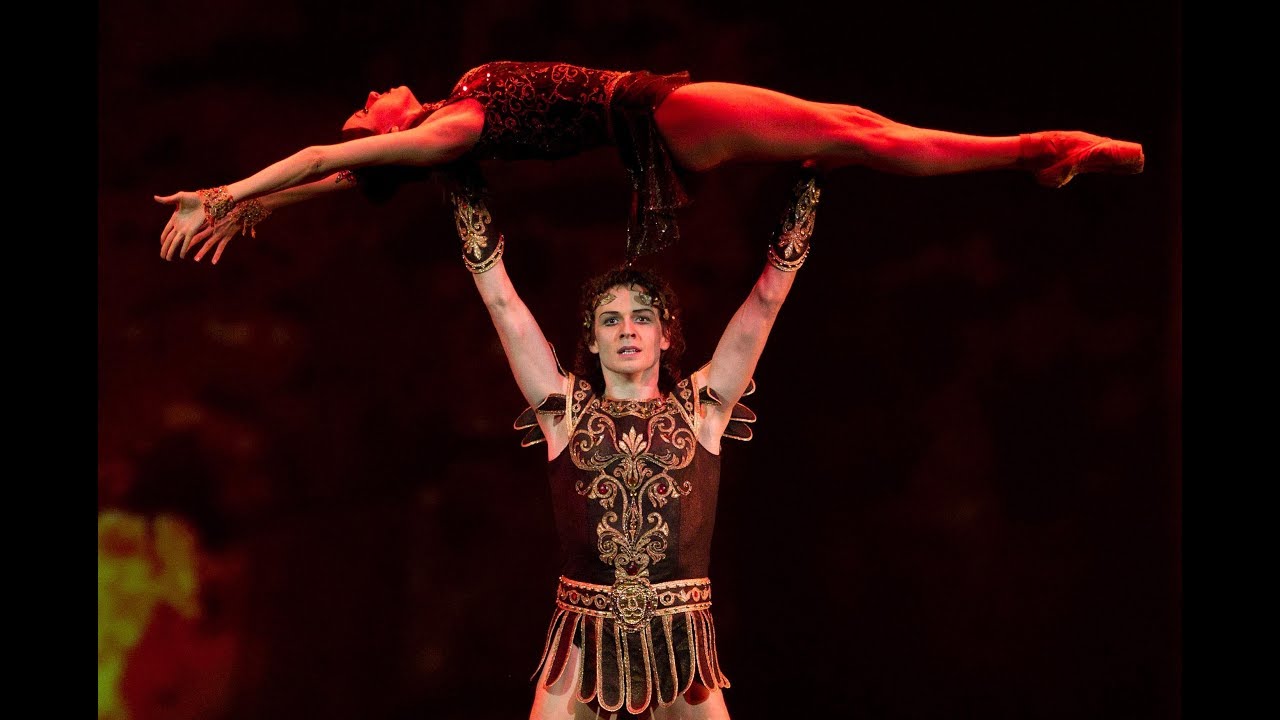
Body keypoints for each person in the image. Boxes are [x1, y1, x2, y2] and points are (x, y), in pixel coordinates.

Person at [456, 162, 821, 718]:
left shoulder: (702, 412)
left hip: (682, 640)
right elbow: (503, 306)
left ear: (666, 334)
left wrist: (809, 186)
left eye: (642, 317)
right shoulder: (565, 414)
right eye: (610, 320)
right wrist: (462, 189)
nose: (627, 328)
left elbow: (767, 300)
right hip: (583, 637)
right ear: (592, 340)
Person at [156, 60, 1145, 265]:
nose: (371, 91)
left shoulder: (454, 102)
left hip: (663, 119)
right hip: (662, 117)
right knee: (858, 137)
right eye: (363, 108)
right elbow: (326, 157)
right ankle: (1034, 151)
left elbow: (336, 177)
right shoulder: (448, 135)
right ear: (382, 130)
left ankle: (1033, 154)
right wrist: (225, 192)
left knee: (851, 122)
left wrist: (264, 208)